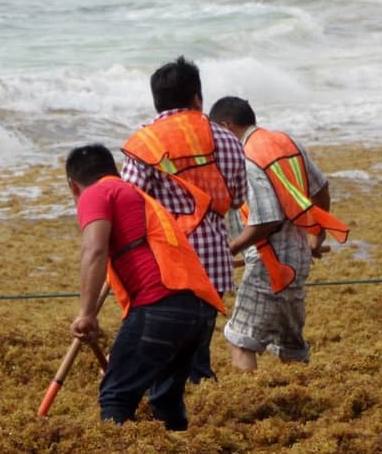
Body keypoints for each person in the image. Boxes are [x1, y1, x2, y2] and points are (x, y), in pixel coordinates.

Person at [65, 144, 225, 429]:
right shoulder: (136, 195)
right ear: (113, 169)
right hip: (198, 309)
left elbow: (94, 250)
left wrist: (86, 313)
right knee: (165, 399)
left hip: (160, 303)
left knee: (116, 395)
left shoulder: (96, 193)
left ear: (73, 186)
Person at [120, 56, 246, 389]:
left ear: (156, 100)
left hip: (164, 266)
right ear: (197, 98)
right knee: (196, 350)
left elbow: (128, 205)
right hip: (213, 264)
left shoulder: (145, 143)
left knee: (164, 355)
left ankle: (177, 418)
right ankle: (200, 405)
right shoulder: (229, 141)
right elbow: (236, 199)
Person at [208, 96, 348, 371]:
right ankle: (304, 398)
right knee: (291, 346)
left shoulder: (246, 156)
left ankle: (248, 403)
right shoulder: (287, 141)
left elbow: (266, 221)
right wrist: (316, 235)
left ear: (225, 126)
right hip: (298, 258)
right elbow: (321, 189)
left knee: (240, 339)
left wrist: (231, 249)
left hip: (270, 264)